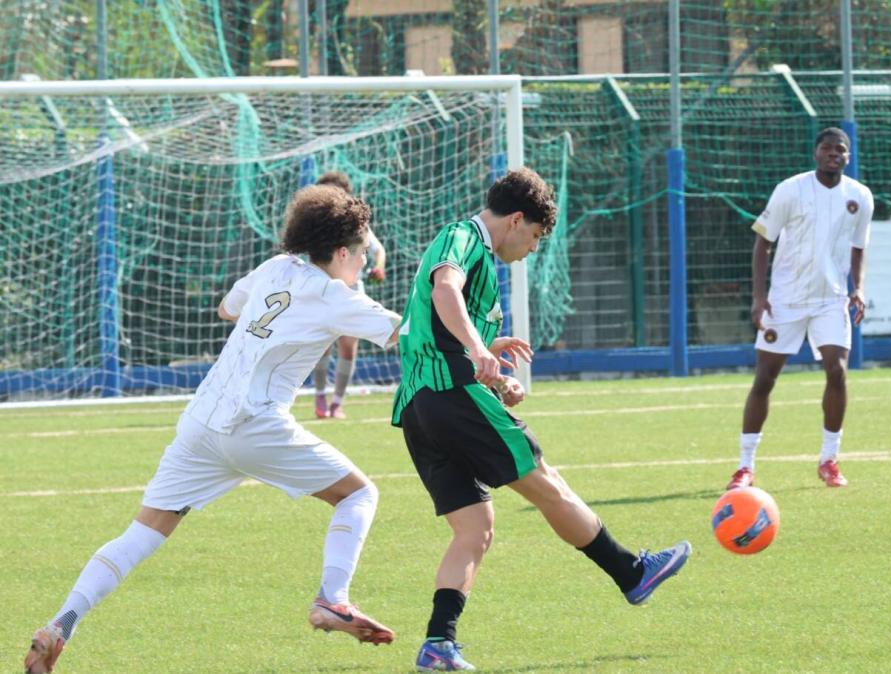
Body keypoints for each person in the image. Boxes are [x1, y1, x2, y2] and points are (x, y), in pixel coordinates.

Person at [23, 185, 402, 674]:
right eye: (362, 253)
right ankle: (333, 597)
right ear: (345, 252)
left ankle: (61, 624)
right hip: (255, 423)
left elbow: (229, 308)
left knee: (142, 532)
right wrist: (481, 348)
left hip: (201, 421)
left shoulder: (275, 267)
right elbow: (407, 333)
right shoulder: (335, 293)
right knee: (359, 495)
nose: (361, 264)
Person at [391, 167, 690, 672]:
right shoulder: (464, 237)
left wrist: (495, 373)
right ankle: (632, 572)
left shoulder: (481, 265)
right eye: (534, 236)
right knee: (548, 483)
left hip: (423, 408)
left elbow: (442, 333)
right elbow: (445, 291)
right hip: (447, 396)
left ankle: (438, 644)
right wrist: (478, 348)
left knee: (474, 528)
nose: (533, 249)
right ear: (514, 220)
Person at [726, 127, 874, 492]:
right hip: (786, 300)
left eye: (840, 150)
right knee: (765, 379)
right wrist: (759, 298)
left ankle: (829, 459)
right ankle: (745, 467)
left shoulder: (859, 197)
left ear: (848, 157)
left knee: (837, 370)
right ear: (815, 153)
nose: (833, 154)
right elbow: (763, 243)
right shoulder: (790, 189)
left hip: (830, 299)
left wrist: (858, 289)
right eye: (827, 148)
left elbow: (859, 247)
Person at [310, 171, 387, 420]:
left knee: (348, 347)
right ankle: (320, 395)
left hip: (351, 292)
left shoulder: (357, 223)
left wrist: (379, 267)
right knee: (321, 346)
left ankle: (337, 403)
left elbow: (378, 250)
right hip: (322, 292)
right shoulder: (316, 226)